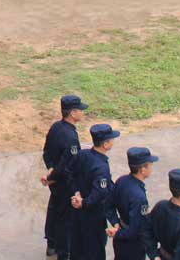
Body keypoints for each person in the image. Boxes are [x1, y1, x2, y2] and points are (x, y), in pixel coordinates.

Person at [41, 94, 89, 259]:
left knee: (54, 210)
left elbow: (46, 152)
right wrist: (53, 176)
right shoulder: (71, 138)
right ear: (73, 113)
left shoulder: (56, 127)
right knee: (65, 219)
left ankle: (51, 244)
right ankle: (63, 251)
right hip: (65, 183)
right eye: (80, 110)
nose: (83, 113)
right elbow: (68, 164)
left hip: (56, 181)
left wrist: (50, 171)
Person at [69, 124, 120, 260]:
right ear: (105, 144)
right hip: (93, 215)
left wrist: (77, 193)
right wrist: (84, 203)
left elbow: (71, 174)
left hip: (77, 212)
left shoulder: (83, 154)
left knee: (77, 247)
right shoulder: (101, 167)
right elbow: (99, 194)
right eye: (111, 139)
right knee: (95, 250)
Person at [108, 147, 160, 260]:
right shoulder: (139, 198)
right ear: (142, 169)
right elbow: (135, 229)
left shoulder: (122, 181)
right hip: (133, 245)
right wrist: (117, 233)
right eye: (150, 164)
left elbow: (109, 204)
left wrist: (116, 224)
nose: (152, 167)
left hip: (120, 237)